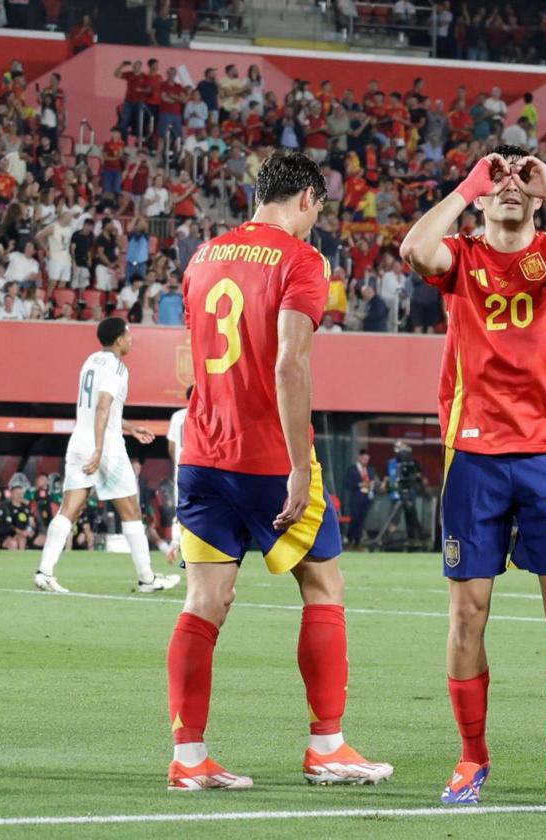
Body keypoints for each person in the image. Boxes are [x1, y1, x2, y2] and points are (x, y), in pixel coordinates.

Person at [400, 144, 546, 806]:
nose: (506, 190)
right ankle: (472, 759)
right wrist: (468, 185)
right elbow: (417, 248)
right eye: (496, 183)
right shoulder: (463, 258)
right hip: (472, 457)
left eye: (514, 183)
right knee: (468, 612)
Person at [167, 151, 393, 791]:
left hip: (204, 452)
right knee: (324, 586)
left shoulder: (204, 256)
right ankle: (327, 745)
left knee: (205, 599)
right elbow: (289, 365)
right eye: (319, 208)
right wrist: (300, 465)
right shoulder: (302, 261)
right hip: (267, 455)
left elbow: (195, 353)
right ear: (308, 200)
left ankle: (189, 760)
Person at [33, 318, 178, 595]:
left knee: (69, 510)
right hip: (106, 447)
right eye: (129, 334)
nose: (131, 339)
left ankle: (45, 571)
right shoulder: (117, 366)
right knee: (131, 510)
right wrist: (99, 450)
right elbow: (102, 408)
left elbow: (98, 411)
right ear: (119, 339)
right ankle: (147, 579)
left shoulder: (91, 361)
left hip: (79, 441)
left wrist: (132, 428)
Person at [165, 385, 193, 565]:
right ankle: (189, 550)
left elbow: (171, 447)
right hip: (201, 467)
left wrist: (177, 460)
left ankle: (177, 545)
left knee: (181, 508)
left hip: (182, 469)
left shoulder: (177, 416)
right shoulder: (207, 412)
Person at [344, 449, 376, 549]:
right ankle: (350, 539)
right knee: (355, 518)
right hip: (356, 497)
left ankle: (358, 542)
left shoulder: (370, 470)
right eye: (364, 458)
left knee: (362, 520)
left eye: (367, 459)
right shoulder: (352, 469)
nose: (366, 460)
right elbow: (347, 483)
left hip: (367, 497)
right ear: (359, 457)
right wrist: (359, 484)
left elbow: (373, 481)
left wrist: (372, 485)